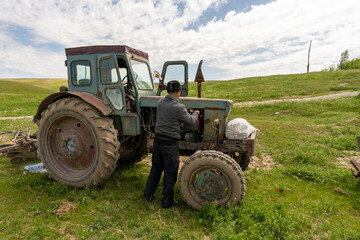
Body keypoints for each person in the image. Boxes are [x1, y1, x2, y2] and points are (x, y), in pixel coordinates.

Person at [144, 80, 199, 208]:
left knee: (156, 169)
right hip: (170, 144)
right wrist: (196, 113)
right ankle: (167, 201)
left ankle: (148, 195)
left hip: (158, 141)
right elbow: (191, 121)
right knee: (170, 172)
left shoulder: (160, 103)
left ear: (168, 91)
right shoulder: (178, 107)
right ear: (178, 92)